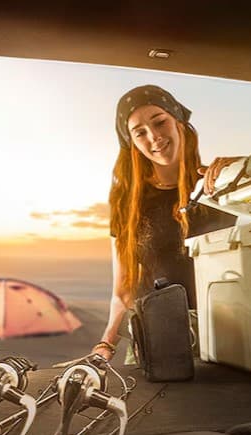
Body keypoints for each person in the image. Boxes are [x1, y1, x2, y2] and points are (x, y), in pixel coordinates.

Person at [91, 85, 238, 361]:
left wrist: (247, 168)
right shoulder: (127, 204)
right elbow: (123, 291)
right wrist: (106, 344)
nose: (154, 137)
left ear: (179, 123)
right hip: (152, 339)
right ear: (132, 144)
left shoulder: (223, 186)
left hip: (222, 337)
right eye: (140, 132)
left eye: (160, 122)